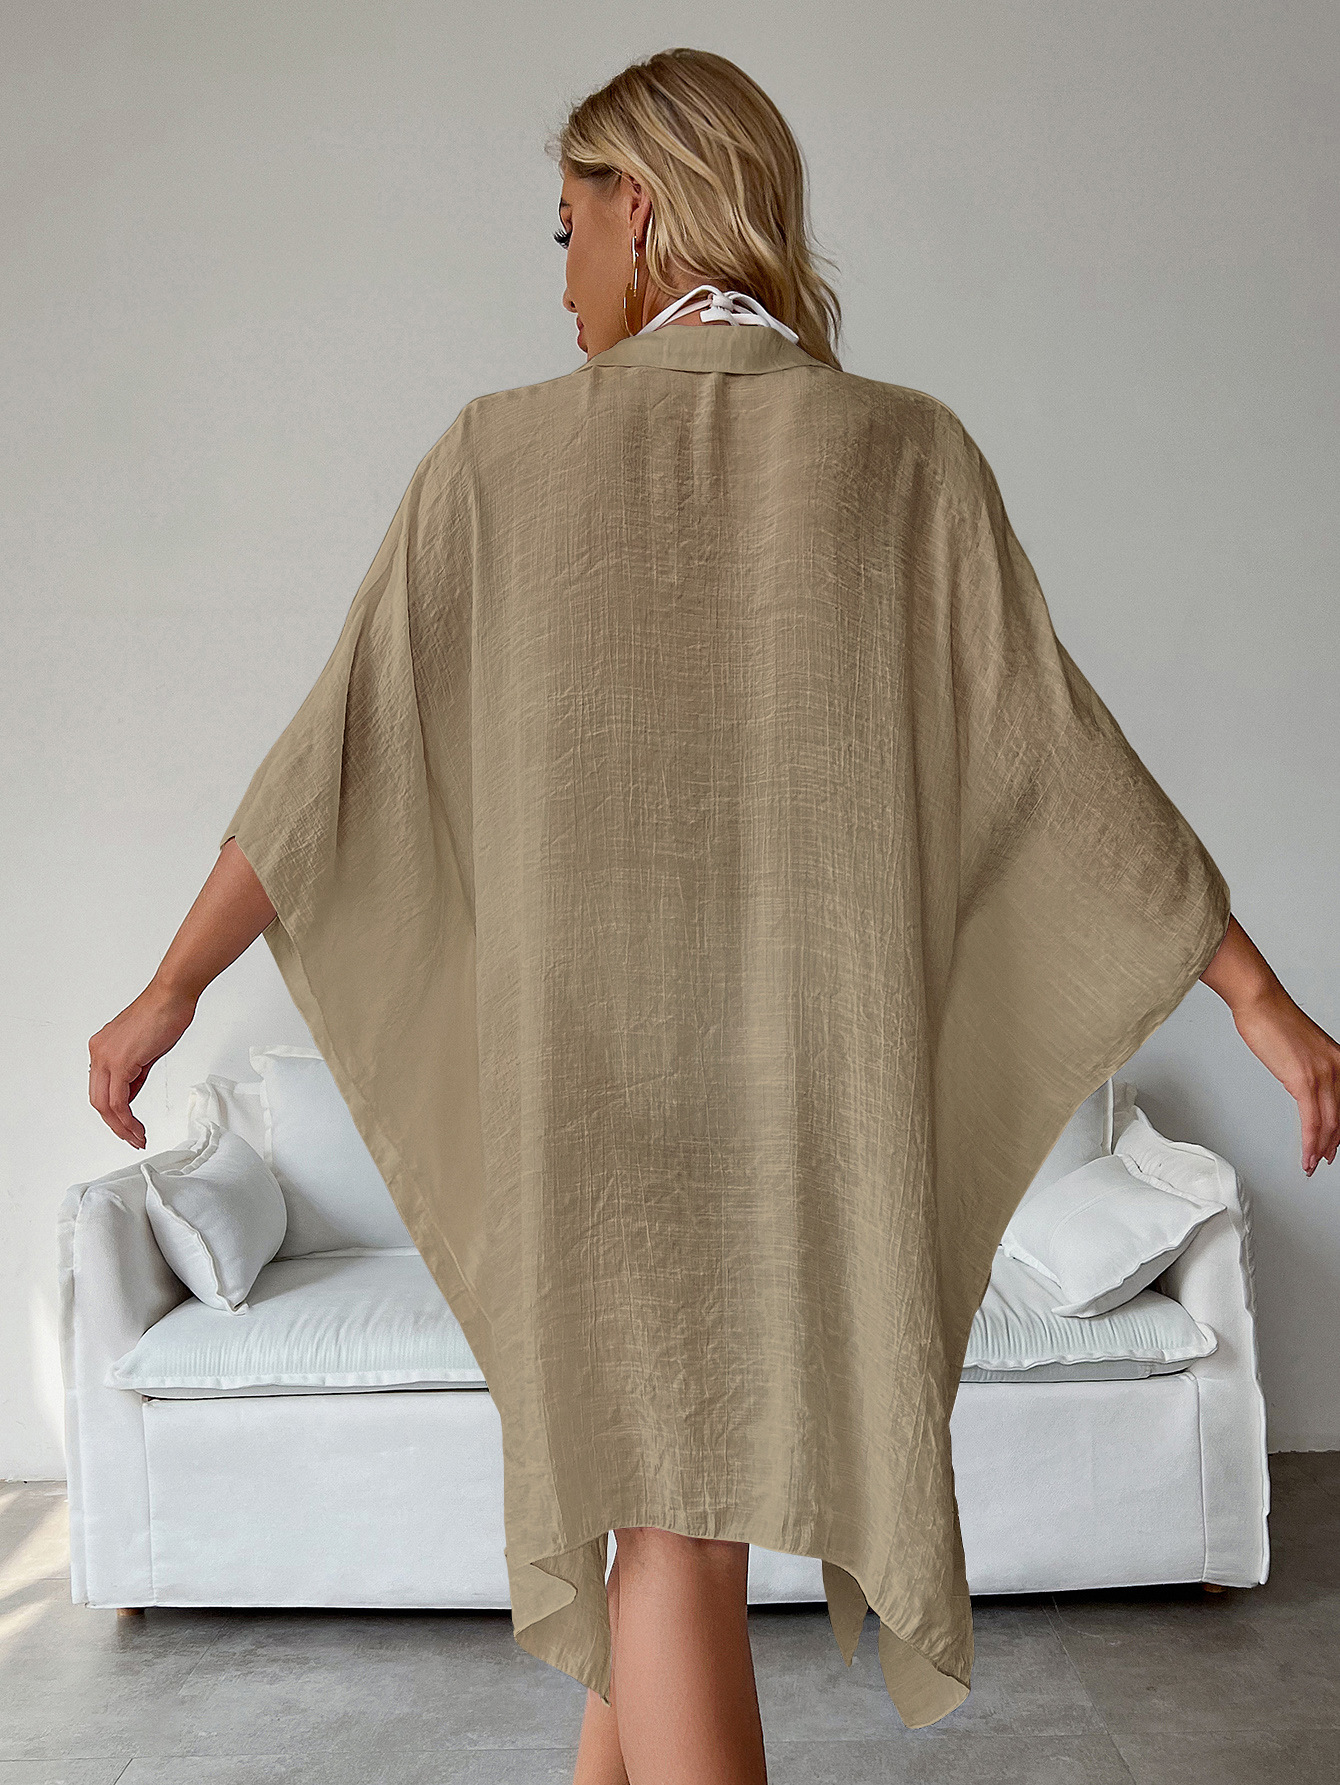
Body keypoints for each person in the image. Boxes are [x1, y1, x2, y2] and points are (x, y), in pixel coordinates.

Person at [87, 46, 1336, 1785]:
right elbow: (1062, 762)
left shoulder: (498, 461)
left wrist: (168, 987)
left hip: (591, 1108)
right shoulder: (906, 456)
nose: (563, 276)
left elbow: (334, 766)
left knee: (669, 1523)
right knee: (681, 1519)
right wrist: (1257, 996)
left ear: (646, 208)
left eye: (568, 225)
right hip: (812, 1102)